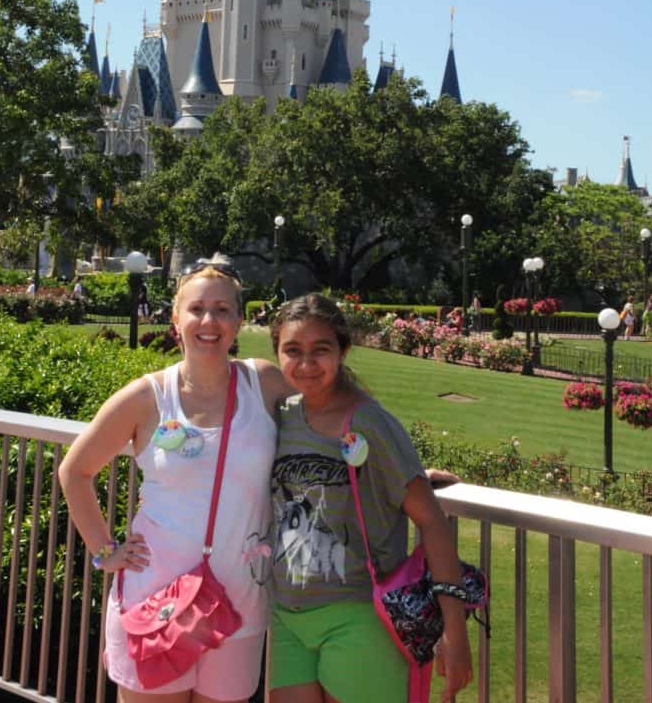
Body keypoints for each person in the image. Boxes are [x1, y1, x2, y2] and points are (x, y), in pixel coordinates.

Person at [58, 258, 289, 703]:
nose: (209, 321)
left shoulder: (263, 384)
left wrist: (405, 468)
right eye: (197, 309)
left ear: (239, 321)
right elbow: (76, 471)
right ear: (175, 319)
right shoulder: (147, 397)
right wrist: (106, 551)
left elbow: (334, 412)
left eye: (222, 310)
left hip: (239, 603)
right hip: (156, 601)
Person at [268, 293, 473, 703]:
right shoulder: (282, 415)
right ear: (277, 352)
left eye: (320, 350)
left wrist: (455, 630)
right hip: (286, 617)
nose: (306, 364)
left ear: (343, 350)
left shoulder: (368, 422)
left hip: (360, 615)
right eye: (292, 350)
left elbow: (430, 520)